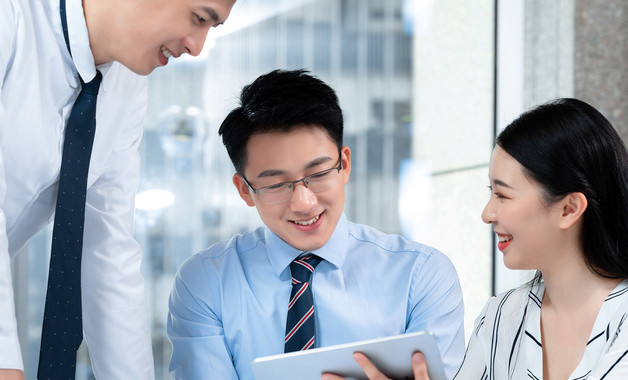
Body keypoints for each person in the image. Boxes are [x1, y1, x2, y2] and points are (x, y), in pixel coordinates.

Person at [166, 69, 466, 379]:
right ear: (245, 191)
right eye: (276, 184)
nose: (304, 203)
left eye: (319, 174)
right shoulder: (206, 282)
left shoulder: (421, 275)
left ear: (344, 165)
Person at [0, 0, 236, 378]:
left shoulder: (127, 86)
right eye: (199, 18)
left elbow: (107, 247)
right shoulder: (11, 17)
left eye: (212, 27)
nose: (197, 46)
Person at [330, 98, 628, 380]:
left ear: (568, 208)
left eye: (502, 194)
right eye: (491, 193)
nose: (487, 214)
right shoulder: (502, 316)